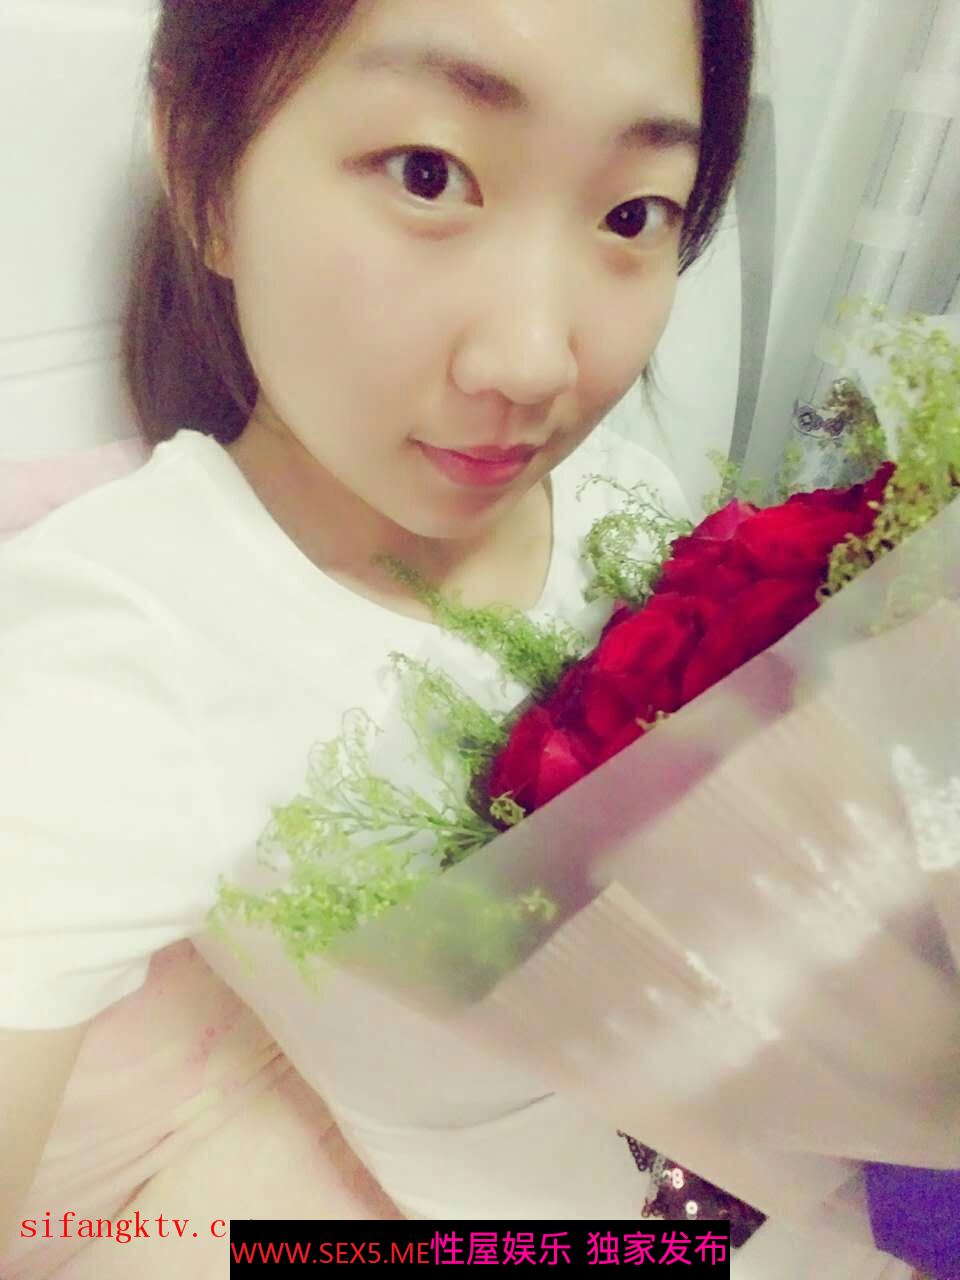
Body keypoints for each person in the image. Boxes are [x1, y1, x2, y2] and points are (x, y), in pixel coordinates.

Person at [0, 0, 916, 1274]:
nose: (534, 364)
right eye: (428, 174)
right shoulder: (126, 633)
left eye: (631, 213)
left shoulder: (625, 496)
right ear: (206, 172)